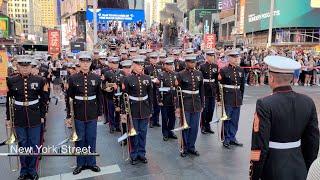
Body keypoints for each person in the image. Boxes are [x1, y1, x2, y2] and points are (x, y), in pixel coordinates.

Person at [249, 56, 319, 180]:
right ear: (292, 78)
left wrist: (255, 175)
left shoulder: (265, 104)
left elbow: (260, 145)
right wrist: (307, 167)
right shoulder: (308, 102)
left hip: (273, 168)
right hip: (299, 166)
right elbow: (312, 141)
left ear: (271, 78)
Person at [6, 55, 48, 180]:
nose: (24, 69)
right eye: (22, 66)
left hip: (34, 115)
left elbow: (44, 100)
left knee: (34, 144)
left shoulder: (39, 80)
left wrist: (42, 116)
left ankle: (32, 169)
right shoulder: (12, 80)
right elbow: (9, 101)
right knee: (22, 144)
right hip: (19, 116)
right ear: (18, 66)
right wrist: (8, 118)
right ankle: (23, 170)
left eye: (27, 66)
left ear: (31, 66)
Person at [67, 51, 103, 175]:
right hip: (78, 112)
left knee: (91, 138)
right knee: (80, 139)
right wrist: (68, 116)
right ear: (80, 63)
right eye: (83, 61)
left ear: (90, 63)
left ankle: (91, 163)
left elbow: (99, 96)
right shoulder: (73, 78)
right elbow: (69, 98)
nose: (85, 64)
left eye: (87, 61)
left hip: (92, 112)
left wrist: (99, 112)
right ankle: (80, 164)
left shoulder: (96, 78)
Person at [123, 57, 153, 165]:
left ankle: (142, 153)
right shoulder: (128, 79)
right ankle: (134, 154)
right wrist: (124, 111)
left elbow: (150, 95)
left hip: (144, 108)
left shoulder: (147, 78)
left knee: (143, 133)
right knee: (133, 133)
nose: (141, 66)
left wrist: (151, 109)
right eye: (138, 64)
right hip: (133, 109)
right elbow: (124, 96)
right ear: (133, 65)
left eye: (142, 65)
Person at [176, 54, 204, 157]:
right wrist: (178, 107)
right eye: (190, 62)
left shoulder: (199, 73)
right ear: (186, 63)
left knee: (195, 127)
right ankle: (184, 148)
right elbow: (176, 92)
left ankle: (192, 147)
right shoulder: (180, 74)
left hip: (196, 103)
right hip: (185, 103)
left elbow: (201, 90)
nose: (192, 64)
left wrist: (202, 104)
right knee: (185, 127)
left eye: (193, 62)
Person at [219, 50, 245, 149]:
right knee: (227, 119)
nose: (236, 59)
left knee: (235, 120)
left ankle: (232, 137)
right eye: (234, 57)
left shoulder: (240, 70)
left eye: (237, 57)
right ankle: (226, 138)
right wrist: (220, 99)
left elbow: (242, 86)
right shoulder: (224, 70)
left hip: (237, 97)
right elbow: (219, 86)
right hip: (227, 97)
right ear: (229, 58)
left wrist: (240, 98)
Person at [157, 58, 178, 141]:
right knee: (165, 118)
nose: (170, 66)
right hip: (164, 99)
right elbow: (158, 89)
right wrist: (159, 100)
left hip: (173, 99)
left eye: (171, 64)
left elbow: (177, 87)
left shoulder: (175, 74)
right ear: (165, 65)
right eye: (168, 65)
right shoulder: (161, 75)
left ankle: (171, 131)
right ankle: (165, 133)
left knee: (173, 118)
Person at [199, 50, 218, 134]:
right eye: (209, 56)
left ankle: (208, 125)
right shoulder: (202, 66)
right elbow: (200, 80)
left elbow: (216, 80)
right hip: (205, 89)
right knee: (205, 109)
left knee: (211, 109)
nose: (211, 58)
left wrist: (217, 92)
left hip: (212, 90)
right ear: (207, 57)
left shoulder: (215, 66)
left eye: (212, 56)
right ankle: (203, 125)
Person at [144, 52, 162, 128]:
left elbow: (162, 76)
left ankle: (156, 120)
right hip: (151, 88)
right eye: (152, 59)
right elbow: (145, 77)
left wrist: (159, 80)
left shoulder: (160, 67)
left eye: (155, 58)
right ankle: (151, 121)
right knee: (151, 104)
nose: (154, 60)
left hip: (158, 88)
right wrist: (152, 79)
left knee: (158, 104)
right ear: (150, 60)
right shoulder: (147, 68)